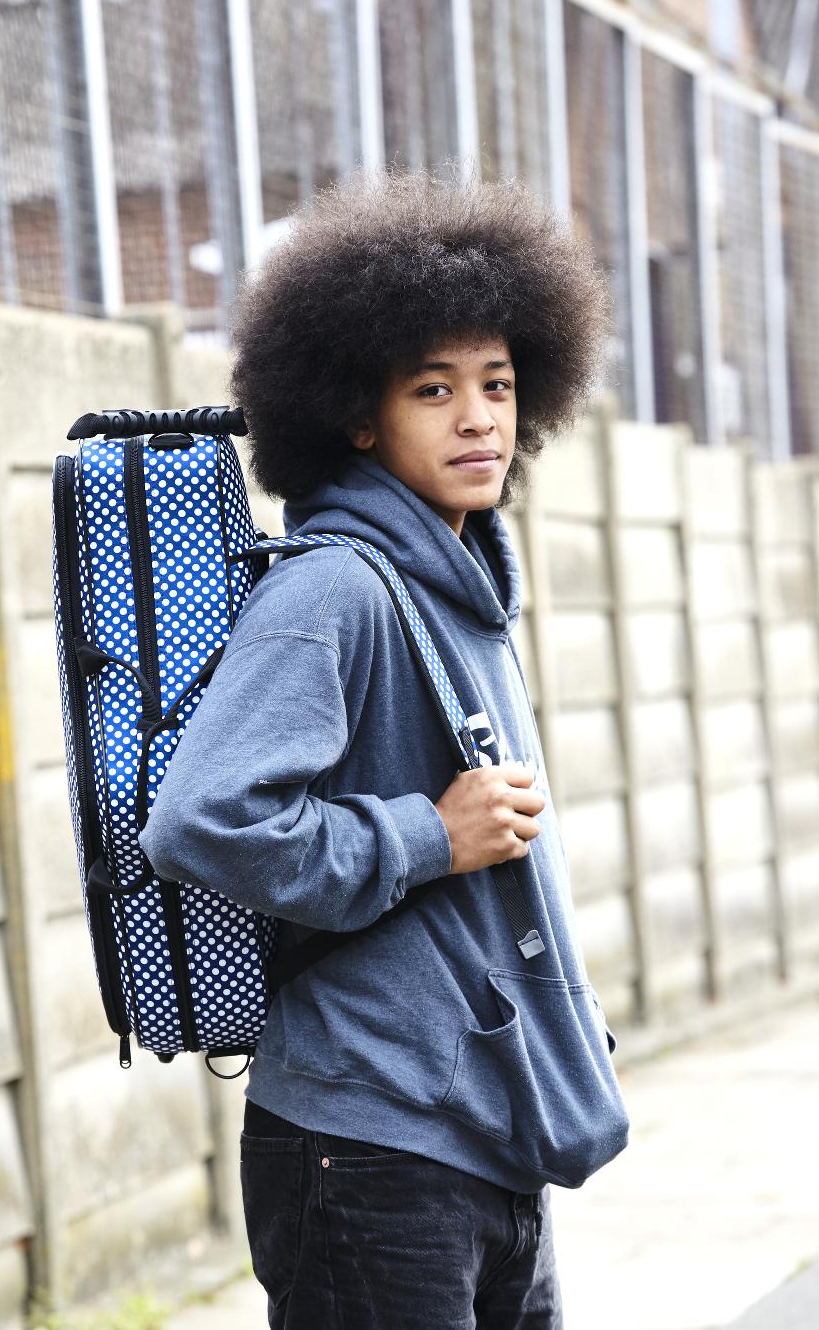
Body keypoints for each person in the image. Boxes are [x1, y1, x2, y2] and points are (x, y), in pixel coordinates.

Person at [139, 163, 631, 1329]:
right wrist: (429, 833)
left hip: (482, 1135)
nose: (480, 418)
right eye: (433, 389)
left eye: (500, 385)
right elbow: (203, 818)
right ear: (357, 416)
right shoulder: (338, 590)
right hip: (369, 1149)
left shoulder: (461, 584)